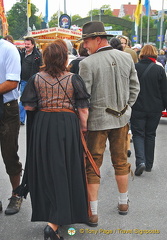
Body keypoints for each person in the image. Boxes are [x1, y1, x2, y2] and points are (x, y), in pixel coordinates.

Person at [15, 39, 90, 240]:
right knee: (66, 169)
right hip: (67, 125)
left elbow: (29, 107)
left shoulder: (36, 78)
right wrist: (83, 130)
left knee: (47, 169)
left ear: (46, 58)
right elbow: (83, 109)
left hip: (43, 125)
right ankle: (57, 219)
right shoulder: (74, 79)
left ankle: (53, 213)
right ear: (65, 58)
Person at [79, 21, 140, 226]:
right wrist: (127, 107)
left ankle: (93, 212)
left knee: (92, 165)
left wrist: (83, 123)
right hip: (121, 119)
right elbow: (135, 88)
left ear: (98, 39)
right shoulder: (125, 57)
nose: (85, 46)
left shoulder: (87, 63)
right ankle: (123, 203)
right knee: (121, 161)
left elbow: (83, 98)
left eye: (87, 41)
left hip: (96, 122)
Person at [131, 44, 167, 176]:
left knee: (138, 134)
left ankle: (140, 161)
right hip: (155, 109)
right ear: (155, 54)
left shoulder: (135, 68)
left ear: (141, 54)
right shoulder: (159, 69)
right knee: (151, 135)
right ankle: (149, 164)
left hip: (138, 107)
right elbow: (164, 91)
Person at [0, 38, 22, 215]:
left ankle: (16, 194)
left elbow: (12, 83)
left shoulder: (9, 49)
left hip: (7, 109)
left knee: (9, 154)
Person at [19, 37, 42, 125]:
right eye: (25, 44)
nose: (26, 46)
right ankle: (21, 119)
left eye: (28, 44)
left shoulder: (37, 55)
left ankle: (34, 118)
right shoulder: (22, 54)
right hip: (24, 81)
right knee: (23, 99)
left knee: (34, 99)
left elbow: (40, 67)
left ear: (33, 45)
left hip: (34, 81)